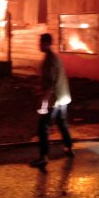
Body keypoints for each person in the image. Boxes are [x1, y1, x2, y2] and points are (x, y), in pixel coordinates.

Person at [30, 33, 74, 168]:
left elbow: (50, 85)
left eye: (41, 43)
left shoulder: (49, 60)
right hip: (63, 97)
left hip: (54, 100)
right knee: (62, 123)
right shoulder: (55, 58)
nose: (39, 45)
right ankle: (68, 148)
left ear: (47, 43)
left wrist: (44, 104)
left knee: (43, 127)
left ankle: (43, 158)